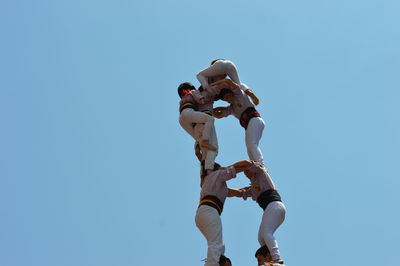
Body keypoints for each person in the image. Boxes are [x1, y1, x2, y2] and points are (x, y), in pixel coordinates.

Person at [195, 160, 252, 266]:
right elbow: (233, 169)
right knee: (216, 244)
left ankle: (220, 262)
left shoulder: (213, 182)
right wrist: (249, 164)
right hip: (209, 211)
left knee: (219, 246)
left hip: (204, 213)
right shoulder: (216, 174)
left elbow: (234, 192)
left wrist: (249, 192)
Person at [232, 161, 286, 265]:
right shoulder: (253, 189)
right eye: (244, 172)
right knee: (261, 237)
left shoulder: (261, 173)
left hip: (275, 205)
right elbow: (237, 192)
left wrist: (229, 169)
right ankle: (268, 257)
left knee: (266, 233)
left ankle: (276, 258)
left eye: (246, 171)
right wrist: (220, 188)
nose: (245, 173)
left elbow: (247, 163)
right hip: (272, 209)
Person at [213, 81, 265, 164]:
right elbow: (218, 115)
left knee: (252, 144)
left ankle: (261, 164)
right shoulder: (231, 108)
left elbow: (229, 82)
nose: (227, 99)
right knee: (249, 148)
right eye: (225, 99)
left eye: (228, 96)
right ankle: (256, 166)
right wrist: (212, 109)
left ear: (231, 93)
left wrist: (216, 85)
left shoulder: (239, 94)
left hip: (254, 120)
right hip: (249, 125)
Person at [178, 82, 218, 171]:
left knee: (198, 139)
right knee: (210, 119)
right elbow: (201, 100)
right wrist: (210, 100)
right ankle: (205, 141)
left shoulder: (182, 99)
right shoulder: (193, 91)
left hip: (182, 119)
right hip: (188, 113)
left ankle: (204, 171)